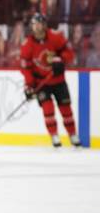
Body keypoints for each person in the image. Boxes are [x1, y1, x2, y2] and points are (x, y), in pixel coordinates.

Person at [20, 13, 81, 148]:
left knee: (66, 109)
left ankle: (72, 135)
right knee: (48, 110)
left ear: (44, 25)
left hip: (58, 80)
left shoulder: (55, 37)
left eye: (39, 24)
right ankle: (54, 135)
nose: (36, 27)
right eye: (34, 24)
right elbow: (26, 68)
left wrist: (61, 60)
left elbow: (69, 53)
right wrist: (29, 86)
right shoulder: (27, 45)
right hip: (42, 83)